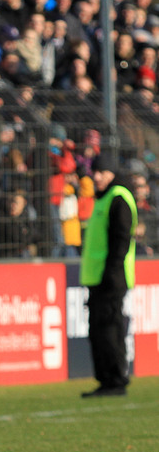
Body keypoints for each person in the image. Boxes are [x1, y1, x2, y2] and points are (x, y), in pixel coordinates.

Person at [80, 153, 137, 398]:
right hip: (97, 278)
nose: (97, 177)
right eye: (95, 173)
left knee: (110, 329)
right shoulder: (103, 199)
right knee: (98, 331)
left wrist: (111, 273)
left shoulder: (119, 198)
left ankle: (116, 380)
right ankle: (105, 380)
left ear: (112, 172)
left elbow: (121, 240)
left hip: (112, 278)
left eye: (101, 172)